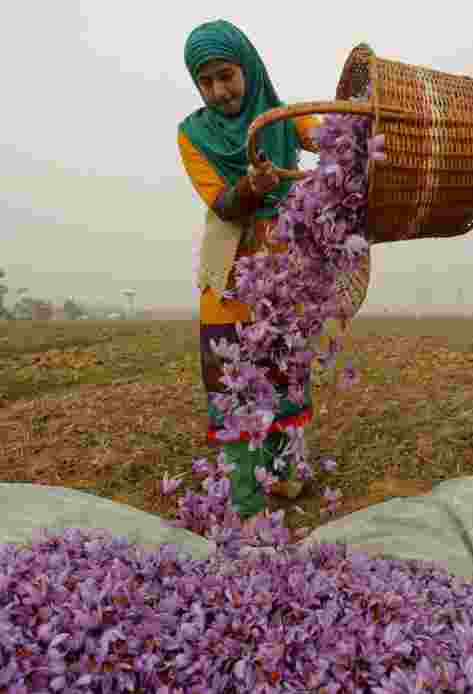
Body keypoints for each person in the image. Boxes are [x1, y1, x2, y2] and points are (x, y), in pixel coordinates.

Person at [178, 19, 340, 522]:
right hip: (229, 288)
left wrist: (341, 142)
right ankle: (246, 501)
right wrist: (251, 187)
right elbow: (223, 204)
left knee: (284, 379)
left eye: (226, 75)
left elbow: (320, 138)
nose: (217, 91)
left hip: (285, 282)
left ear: (247, 66)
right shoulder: (192, 135)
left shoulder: (279, 118)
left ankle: (286, 480)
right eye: (205, 82)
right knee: (235, 390)